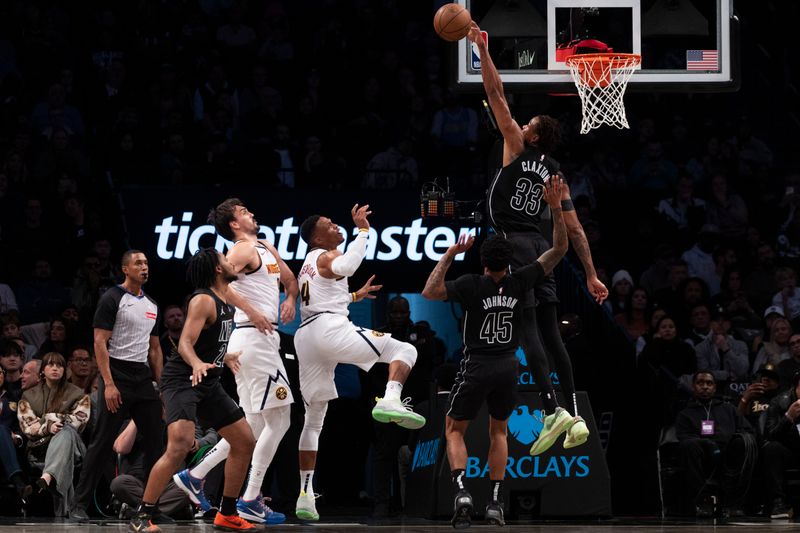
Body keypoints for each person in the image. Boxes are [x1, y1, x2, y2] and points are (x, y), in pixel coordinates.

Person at [468, 21, 608, 456]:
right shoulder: (556, 175)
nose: (519, 124)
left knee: (528, 329)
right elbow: (577, 229)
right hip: (545, 250)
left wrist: (484, 51)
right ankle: (574, 413)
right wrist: (590, 274)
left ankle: (552, 411)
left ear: (532, 134)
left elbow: (495, 96)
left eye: (525, 123)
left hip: (514, 246)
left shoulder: (516, 144)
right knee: (552, 332)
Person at [421, 174, 567, 528]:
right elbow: (559, 250)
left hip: (476, 365)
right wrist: (556, 210)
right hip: (507, 366)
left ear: (484, 263)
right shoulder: (521, 281)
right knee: (498, 432)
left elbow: (430, 291)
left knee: (454, 430)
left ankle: (462, 491)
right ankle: (496, 502)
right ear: (509, 263)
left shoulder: (471, 284)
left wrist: (451, 254)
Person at [293, 204, 424, 521]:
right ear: (316, 237)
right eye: (328, 223)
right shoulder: (325, 256)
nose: (335, 224)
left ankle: (306, 495)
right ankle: (391, 399)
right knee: (405, 351)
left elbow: (323, 295)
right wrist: (363, 230)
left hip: (307, 336)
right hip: (328, 329)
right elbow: (351, 264)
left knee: (314, 420)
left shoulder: (310, 264)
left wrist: (353, 296)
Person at [173, 199, 295, 525]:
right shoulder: (239, 250)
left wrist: (292, 297)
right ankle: (251, 497)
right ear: (234, 224)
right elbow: (219, 287)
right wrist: (253, 311)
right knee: (280, 419)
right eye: (243, 212)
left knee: (251, 426)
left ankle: (195, 475)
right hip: (252, 337)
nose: (251, 212)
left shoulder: (265, 246)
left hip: (261, 338)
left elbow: (290, 280)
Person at [128, 249, 256, 533]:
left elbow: (213, 342)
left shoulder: (225, 299)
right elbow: (185, 342)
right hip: (183, 379)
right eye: (225, 259)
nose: (231, 261)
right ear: (217, 270)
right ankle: (141, 514)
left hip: (208, 381)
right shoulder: (203, 300)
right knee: (180, 445)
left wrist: (226, 357)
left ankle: (227, 513)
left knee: (245, 441)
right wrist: (197, 362)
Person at [70, 250, 165, 522]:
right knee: (101, 444)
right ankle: (78, 504)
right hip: (117, 374)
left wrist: (161, 388)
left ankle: (149, 507)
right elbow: (100, 342)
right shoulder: (113, 298)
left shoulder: (152, 304)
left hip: (142, 377)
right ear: (125, 269)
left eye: (146, 263)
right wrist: (108, 384)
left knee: (157, 444)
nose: (144, 267)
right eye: (138, 263)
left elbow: (155, 349)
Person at [17, 352, 91, 516]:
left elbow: (80, 421)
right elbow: (27, 426)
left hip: (75, 447)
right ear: (42, 370)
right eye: (51, 365)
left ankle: (48, 476)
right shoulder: (28, 395)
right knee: (65, 459)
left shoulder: (78, 393)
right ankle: (64, 510)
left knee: (66, 433)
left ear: (65, 370)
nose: (55, 368)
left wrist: (47, 419)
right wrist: (47, 427)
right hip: (39, 449)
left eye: (59, 365)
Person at [675, 370, 755, 519]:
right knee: (688, 446)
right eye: (700, 383)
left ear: (715, 388)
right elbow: (684, 437)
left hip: (729, 454)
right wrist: (708, 443)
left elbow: (748, 430)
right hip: (703, 455)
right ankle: (703, 501)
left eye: (709, 383)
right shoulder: (685, 414)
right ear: (693, 387)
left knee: (743, 443)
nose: (705, 387)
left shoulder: (729, 409)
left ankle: (733, 503)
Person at [762, 371, 800, 519]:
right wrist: (788, 416)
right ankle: (778, 503)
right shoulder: (779, 402)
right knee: (772, 448)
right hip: (790, 451)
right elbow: (770, 434)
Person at [0, 364, 31, 501]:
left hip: (8, 447)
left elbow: (23, 424)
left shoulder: (15, 398)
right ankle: (18, 482)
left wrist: (17, 437)